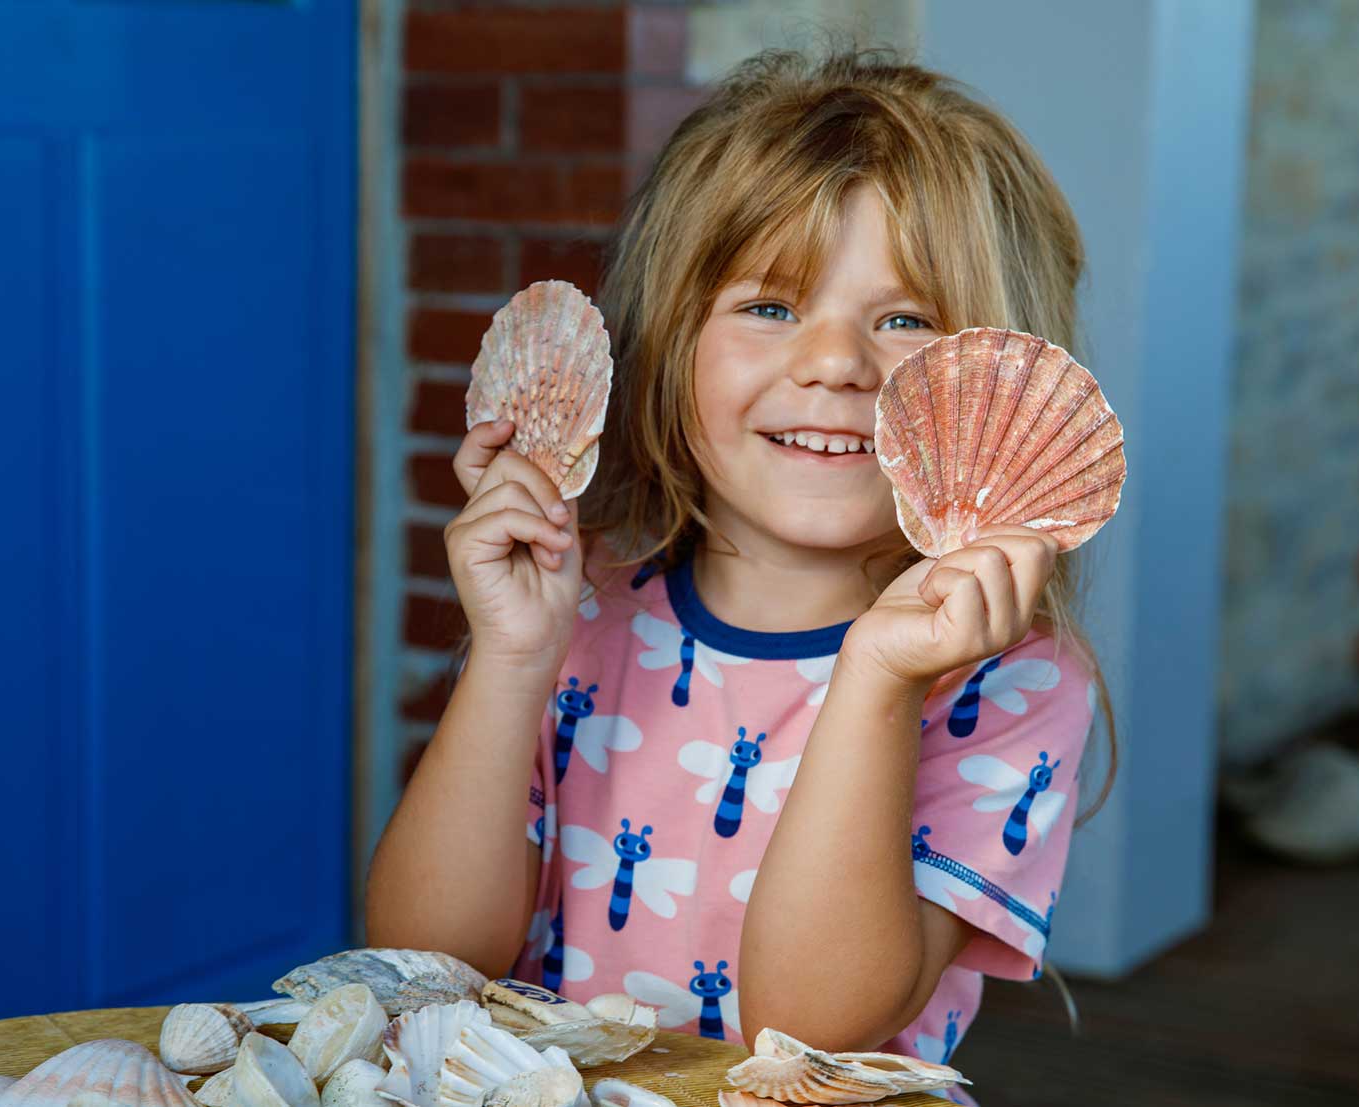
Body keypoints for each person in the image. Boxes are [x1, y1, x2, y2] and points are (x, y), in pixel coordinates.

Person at [365, 47, 1118, 1090]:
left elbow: (812, 1028)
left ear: (994, 381)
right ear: (672, 341)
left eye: (904, 320)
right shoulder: (580, 608)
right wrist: (511, 654)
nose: (834, 362)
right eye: (769, 306)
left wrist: (876, 679)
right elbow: (427, 962)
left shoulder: (1008, 682)